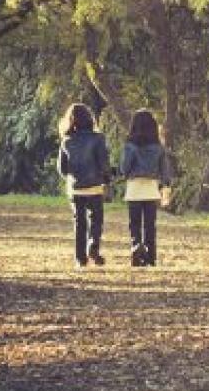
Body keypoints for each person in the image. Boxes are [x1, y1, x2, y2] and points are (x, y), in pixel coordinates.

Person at [57, 103, 110, 268]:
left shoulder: (66, 141)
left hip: (76, 188)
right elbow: (103, 164)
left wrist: (72, 176)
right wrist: (107, 178)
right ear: (89, 118)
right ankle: (93, 244)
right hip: (95, 186)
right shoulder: (98, 138)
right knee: (96, 219)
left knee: (79, 223)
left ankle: (80, 259)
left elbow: (62, 169)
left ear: (71, 120)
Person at [120, 109, 174, 267]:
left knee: (134, 224)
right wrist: (166, 186)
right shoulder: (158, 147)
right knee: (150, 225)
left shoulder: (129, 146)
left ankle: (136, 247)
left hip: (134, 189)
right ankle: (151, 256)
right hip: (151, 190)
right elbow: (165, 171)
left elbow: (124, 169)